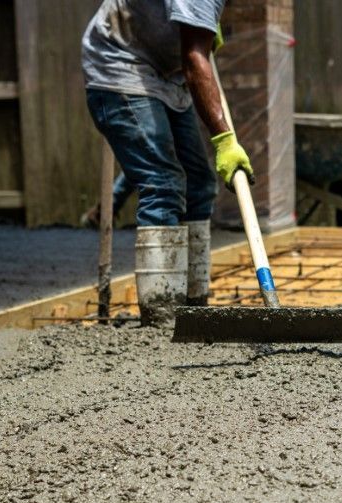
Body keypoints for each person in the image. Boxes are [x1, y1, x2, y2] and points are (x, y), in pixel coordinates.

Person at [82, 0, 254, 325]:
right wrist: (225, 139)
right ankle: (162, 316)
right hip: (121, 66)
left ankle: (193, 305)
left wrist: (200, 31)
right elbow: (193, 60)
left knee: (199, 184)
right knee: (163, 183)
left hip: (164, 74)